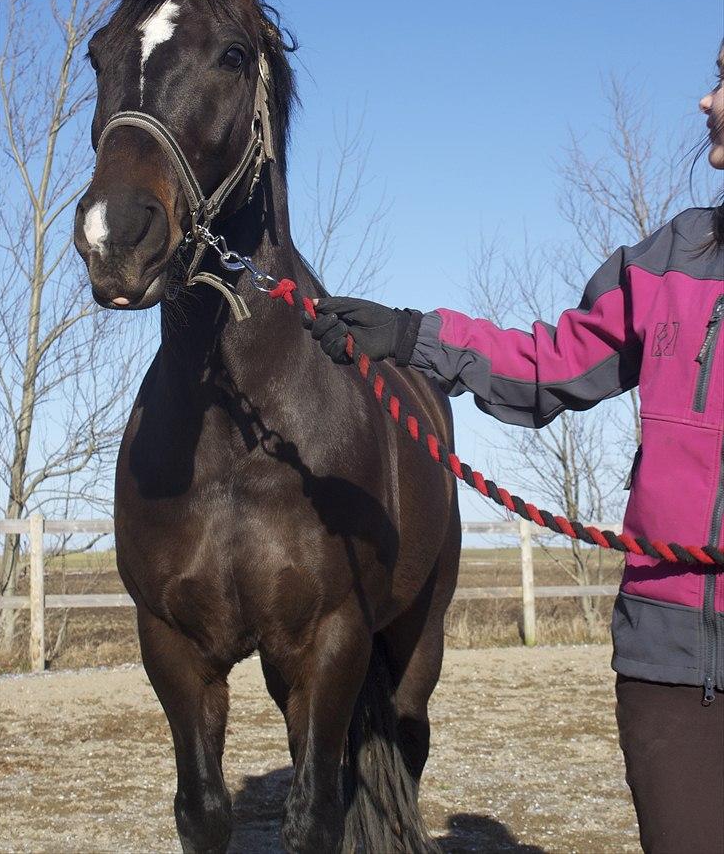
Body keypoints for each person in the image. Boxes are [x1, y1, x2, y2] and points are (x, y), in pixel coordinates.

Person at [305, 49, 724, 854]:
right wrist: (413, 336)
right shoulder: (674, 259)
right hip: (670, 660)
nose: (705, 98)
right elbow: (554, 359)